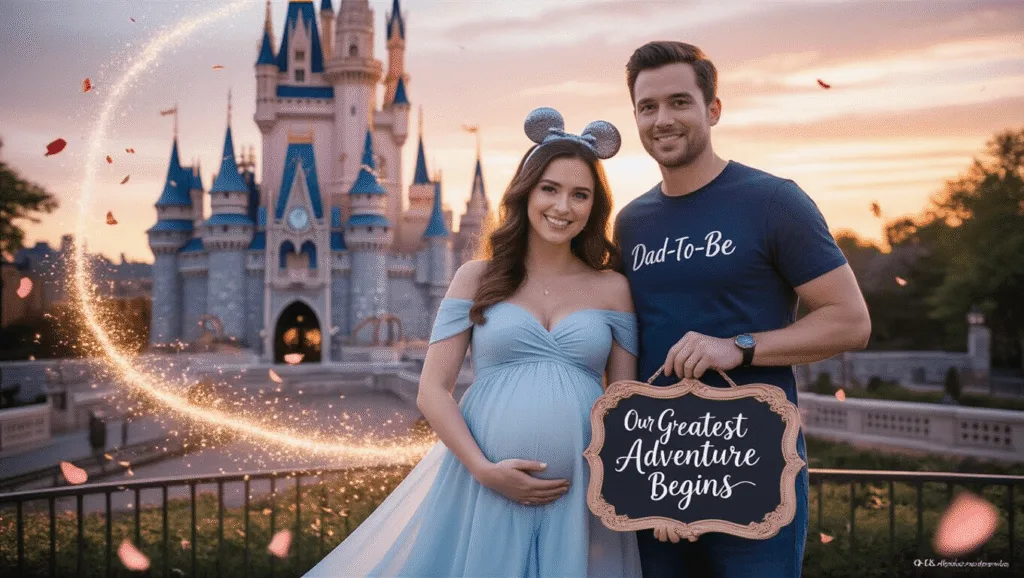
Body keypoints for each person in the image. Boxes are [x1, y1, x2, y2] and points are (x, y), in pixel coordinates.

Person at [304, 107, 642, 577]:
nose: (563, 207)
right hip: (484, 488)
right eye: (550, 189)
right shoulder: (475, 277)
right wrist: (484, 469)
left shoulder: (613, 288)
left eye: (579, 194)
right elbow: (432, 390)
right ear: (525, 194)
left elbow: (626, 404)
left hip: (582, 495)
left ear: (594, 206)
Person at [613, 41, 872, 577]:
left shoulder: (773, 200)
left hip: (754, 473)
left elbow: (850, 320)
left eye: (680, 102)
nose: (663, 119)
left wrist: (740, 347)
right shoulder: (631, 221)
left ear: (713, 109)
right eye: (648, 106)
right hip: (658, 474)